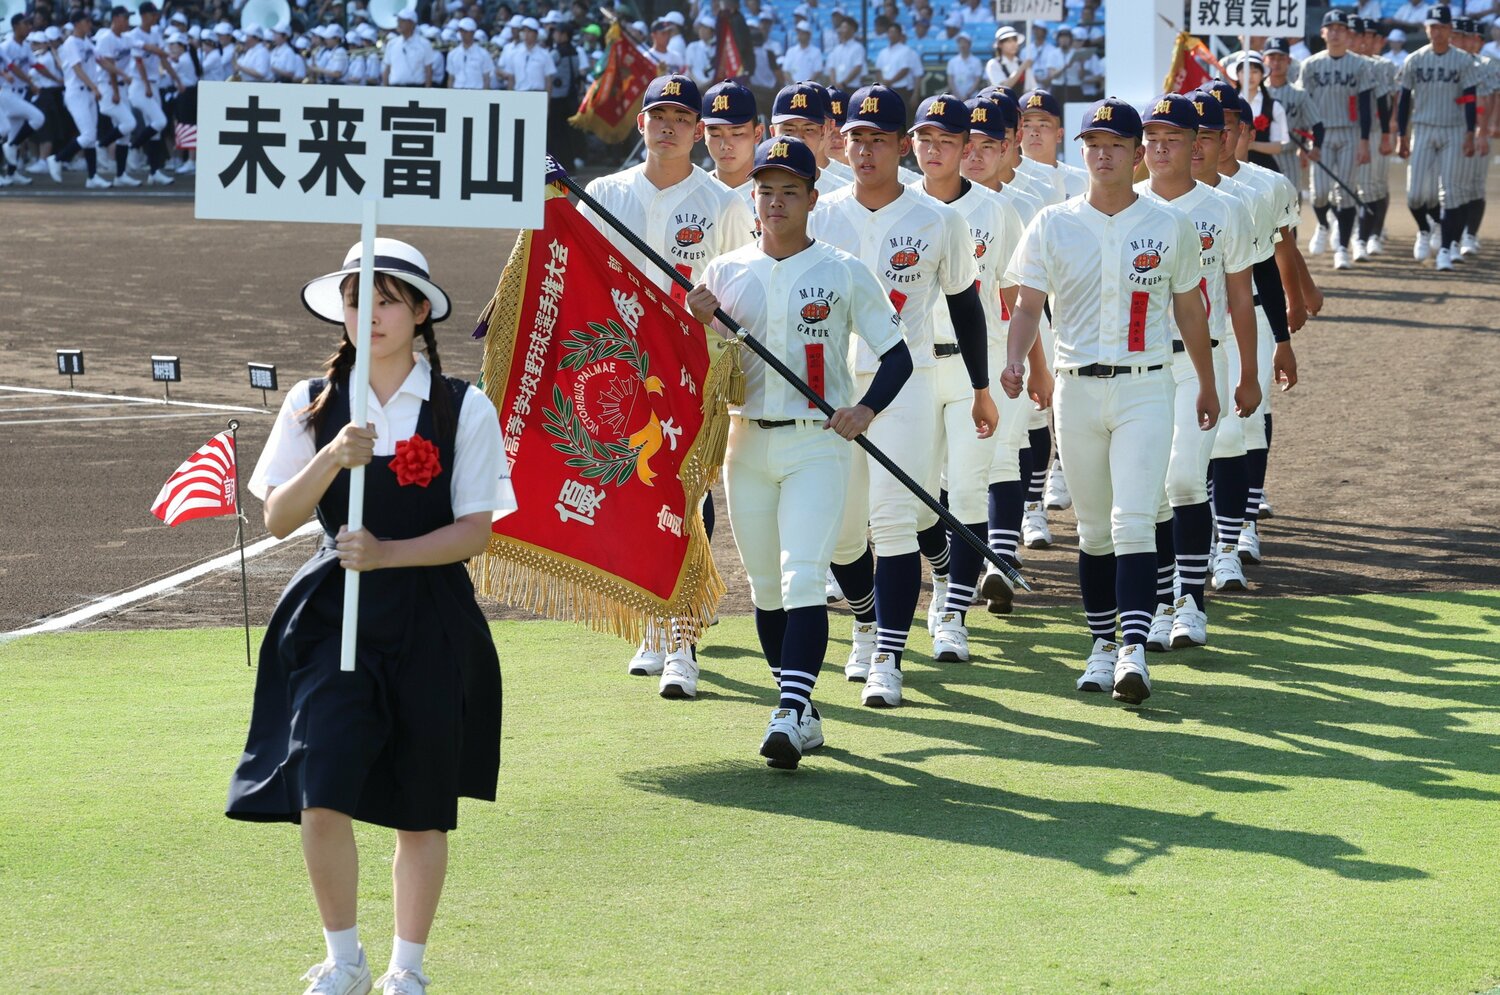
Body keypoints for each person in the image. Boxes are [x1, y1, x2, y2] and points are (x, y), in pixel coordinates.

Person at [228, 237, 512, 995]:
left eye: (389, 298)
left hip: (429, 616)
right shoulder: (311, 403)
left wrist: (388, 553)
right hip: (333, 614)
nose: (371, 313)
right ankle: (344, 959)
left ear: (422, 312)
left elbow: (476, 529)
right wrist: (331, 458)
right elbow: (278, 516)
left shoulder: (463, 406)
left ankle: (405, 970)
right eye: (358, 298)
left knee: (422, 807)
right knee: (319, 787)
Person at [690, 135, 912, 768]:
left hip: (818, 445)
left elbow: (897, 355)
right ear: (752, 200)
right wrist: (695, 320)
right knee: (764, 589)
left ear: (814, 198)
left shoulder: (842, 268)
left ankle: (788, 710)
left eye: (790, 190)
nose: (776, 201)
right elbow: (694, 369)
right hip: (744, 440)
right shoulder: (723, 273)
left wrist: (864, 409)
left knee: (803, 576)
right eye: (766, 191)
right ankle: (804, 712)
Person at [1001, 97, 1217, 705]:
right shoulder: (1053, 221)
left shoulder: (1166, 222)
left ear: (1136, 153)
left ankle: (1133, 650)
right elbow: (1026, 303)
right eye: (1093, 143)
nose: (1102, 153)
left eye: (1116, 144)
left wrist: (1204, 379)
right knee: (1093, 529)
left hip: (1146, 385)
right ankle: (1100, 644)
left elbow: (1188, 305)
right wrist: (1016, 360)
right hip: (1075, 386)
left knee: (1133, 520)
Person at [807, 84, 993, 707]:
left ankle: (888, 653)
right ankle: (863, 623)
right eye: (855, 137)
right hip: (829, 388)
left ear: (901, 147)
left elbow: (967, 309)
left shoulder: (939, 219)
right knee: (840, 530)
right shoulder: (821, 212)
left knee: (892, 523)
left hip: (903, 385)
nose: (863, 150)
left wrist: (981, 388)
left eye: (878, 139)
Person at [578, 74, 755, 697]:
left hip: (689, 370)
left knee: (686, 497)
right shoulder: (601, 193)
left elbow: (741, 289)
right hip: (616, 368)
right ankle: (649, 621)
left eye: (683, 117)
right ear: (642, 122)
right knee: (631, 492)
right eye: (659, 114)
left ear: (697, 130)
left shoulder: (725, 204)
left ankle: (682, 637)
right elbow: (573, 272)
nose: (669, 126)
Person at [1136, 92, 1261, 651]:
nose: (1160, 148)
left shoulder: (1225, 208)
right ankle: (1162, 602)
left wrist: (1247, 373)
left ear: (1196, 145)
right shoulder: (1125, 203)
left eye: (1173, 138)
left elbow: (1240, 299)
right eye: (1152, 138)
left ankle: (1191, 601)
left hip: (1202, 361)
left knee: (1185, 479)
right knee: (1153, 494)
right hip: (1139, 367)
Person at [907, 93, 1022, 658]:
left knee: (971, 486)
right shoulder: (896, 204)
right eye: (924, 139)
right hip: (912, 368)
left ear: (967, 148)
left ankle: (952, 612)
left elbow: (1012, 296)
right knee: (922, 497)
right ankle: (946, 572)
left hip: (975, 366)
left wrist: (1022, 365)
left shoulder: (997, 210)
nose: (934, 150)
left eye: (946, 140)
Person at [959, 92, 1050, 616]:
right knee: (954, 468)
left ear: (1008, 147)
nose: (973, 155)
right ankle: (966, 564)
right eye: (965, 144)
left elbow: (1026, 301)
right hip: (944, 355)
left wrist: (1036, 363)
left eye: (986, 145)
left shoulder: (1023, 206)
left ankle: (1001, 560)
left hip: (1003, 345)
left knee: (1005, 453)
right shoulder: (931, 203)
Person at [1396, 4, 1481, 270]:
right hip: (1422, 128)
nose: (1437, 31)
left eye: (1442, 27)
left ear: (1450, 29)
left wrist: (1470, 132)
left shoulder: (1463, 60)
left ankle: (1445, 248)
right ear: (1426, 28)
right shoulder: (1415, 59)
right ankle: (1425, 228)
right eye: (1433, 27)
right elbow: (1403, 100)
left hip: (1454, 129)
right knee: (1415, 195)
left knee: (1451, 193)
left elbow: (1469, 98)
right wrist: (1401, 134)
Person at [1297, 10, 1375, 269]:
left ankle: (1342, 246)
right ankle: (1323, 224)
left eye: (1340, 28)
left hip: (1350, 132)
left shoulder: (1360, 64)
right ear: (1322, 33)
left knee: (1346, 193)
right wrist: (1303, 139)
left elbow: (1365, 105)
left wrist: (1365, 141)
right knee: (1319, 195)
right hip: (1320, 135)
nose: (1335, 32)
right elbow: (1302, 104)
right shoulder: (1310, 65)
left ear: (1347, 33)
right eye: (1330, 28)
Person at [51, 10, 111, 189]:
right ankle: (57, 158)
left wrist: (124, 75)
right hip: (77, 92)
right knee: (88, 135)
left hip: (89, 93)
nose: (89, 24)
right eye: (86, 21)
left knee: (91, 138)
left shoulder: (86, 41)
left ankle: (92, 177)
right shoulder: (70, 43)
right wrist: (94, 86)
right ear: (77, 23)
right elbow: (77, 69)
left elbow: (102, 61)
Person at [382, 9, 432, 87]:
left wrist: (426, 92)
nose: (399, 23)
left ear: (412, 23)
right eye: (398, 20)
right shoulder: (391, 43)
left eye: (403, 21)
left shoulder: (425, 44)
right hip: (395, 88)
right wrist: (385, 90)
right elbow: (387, 69)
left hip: (416, 88)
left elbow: (428, 70)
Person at [946, 32, 983, 99]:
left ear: (969, 44)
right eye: (960, 42)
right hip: (956, 98)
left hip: (972, 97)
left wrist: (967, 95)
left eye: (965, 42)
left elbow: (977, 80)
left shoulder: (976, 61)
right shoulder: (952, 61)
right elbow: (950, 80)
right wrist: (957, 95)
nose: (962, 45)